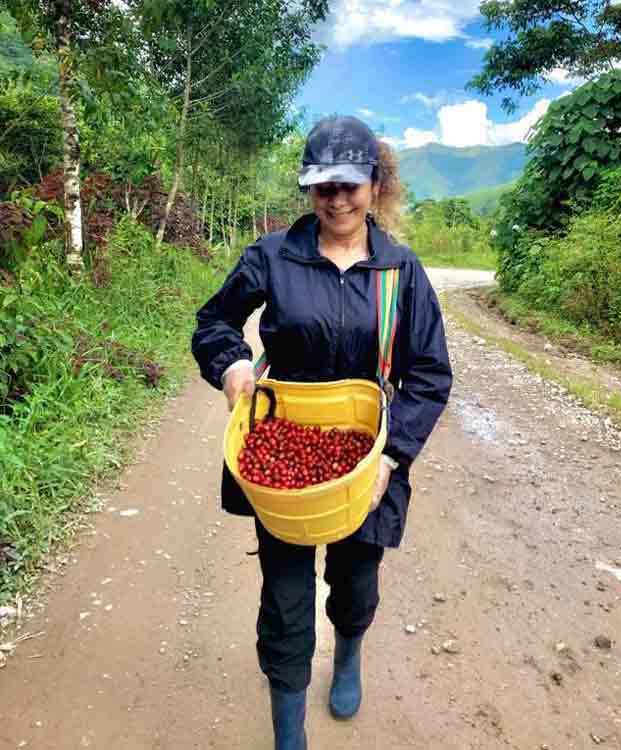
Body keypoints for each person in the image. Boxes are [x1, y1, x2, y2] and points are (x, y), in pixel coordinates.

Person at [191, 115, 452, 750]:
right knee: (284, 596)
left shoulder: (400, 270)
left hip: (367, 455)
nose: (336, 199)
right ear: (309, 190)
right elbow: (214, 323)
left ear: (375, 183)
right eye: (322, 186)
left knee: (357, 580)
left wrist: (392, 455)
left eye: (349, 185)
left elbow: (428, 373)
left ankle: (350, 653)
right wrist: (230, 365)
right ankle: (288, 729)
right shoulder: (274, 256)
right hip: (286, 446)